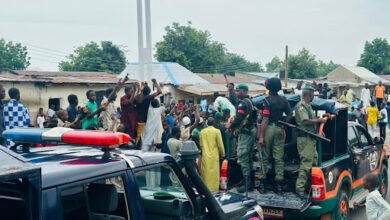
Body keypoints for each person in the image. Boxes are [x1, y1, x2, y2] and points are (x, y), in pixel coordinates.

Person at [258, 78, 291, 194]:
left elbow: (265, 119)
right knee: (279, 158)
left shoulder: (266, 100)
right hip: (279, 128)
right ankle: (279, 187)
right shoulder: (283, 99)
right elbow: (290, 114)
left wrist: (261, 136)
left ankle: (262, 185)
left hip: (269, 129)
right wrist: (284, 126)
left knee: (265, 156)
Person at [294, 86, 327, 198]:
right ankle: (300, 188)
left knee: (314, 163)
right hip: (305, 139)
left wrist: (321, 118)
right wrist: (319, 120)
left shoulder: (308, 106)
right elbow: (306, 121)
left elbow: (311, 119)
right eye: (313, 95)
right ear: (309, 95)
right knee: (306, 163)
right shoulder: (301, 106)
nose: (314, 97)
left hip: (311, 139)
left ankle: (309, 187)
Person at [226, 84, 257, 194]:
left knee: (242, 156)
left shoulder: (243, 103)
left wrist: (231, 126)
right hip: (250, 131)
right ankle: (249, 182)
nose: (237, 92)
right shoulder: (249, 101)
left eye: (238, 91)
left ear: (244, 91)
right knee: (248, 157)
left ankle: (247, 184)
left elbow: (239, 118)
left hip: (246, 132)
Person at [199, 117, 225, 192]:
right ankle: (214, 190)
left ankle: (205, 189)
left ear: (207, 123)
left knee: (206, 175)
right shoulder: (217, 131)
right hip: (214, 157)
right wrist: (223, 154)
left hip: (205, 157)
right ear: (214, 123)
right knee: (214, 175)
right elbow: (220, 145)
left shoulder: (202, 132)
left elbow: (201, 145)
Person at [135, 79, 162, 145]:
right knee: (142, 138)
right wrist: (155, 83)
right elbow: (159, 91)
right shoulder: (148, 98)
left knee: (138, 137)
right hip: (143, 121)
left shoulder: (137, 96)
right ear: (149, 91)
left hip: (137, 119)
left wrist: (139, 89)